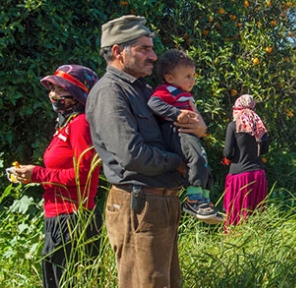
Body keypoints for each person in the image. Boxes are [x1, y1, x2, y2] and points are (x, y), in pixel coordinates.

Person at [85, 15, 207, 287]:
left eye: (152, 48)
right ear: (118, 52)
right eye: (144, 49)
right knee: (145, 283)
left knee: (166, 282)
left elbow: (179, 133)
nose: (153, 56)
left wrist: (199, 128)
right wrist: (179, 163)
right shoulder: (110, 92)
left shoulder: (148, 92)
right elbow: (132, 155)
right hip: (138, 205)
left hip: (161, 203)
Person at [12, 65, 101, 288]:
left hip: (72, 218)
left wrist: (37, 174)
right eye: (52, 88)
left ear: (78, 94)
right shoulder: (66, 124)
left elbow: (84, 174)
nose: (53, 95)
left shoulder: (81, 124)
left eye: (60, 90)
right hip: (59, 216)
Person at [149, 49, 223, 224]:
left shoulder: (184, 94)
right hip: (177, 132)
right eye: (187, 76)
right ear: (170, 78)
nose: (192, 80)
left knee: (204, 164)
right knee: (196, 159)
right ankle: (193, 200)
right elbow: (154, 103)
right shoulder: (168, 90)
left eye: (193, 75)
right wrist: (176, 113)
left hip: (190, 134)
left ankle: (204, 200)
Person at [222, 94, 270, 228]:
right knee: (255, 214)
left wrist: (227, 159)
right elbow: (264, 150)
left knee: (235, 214)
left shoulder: (233, 126)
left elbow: (227, 153)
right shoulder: (260, 126)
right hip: (258, 175)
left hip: (239, 176)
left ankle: (234, 241)